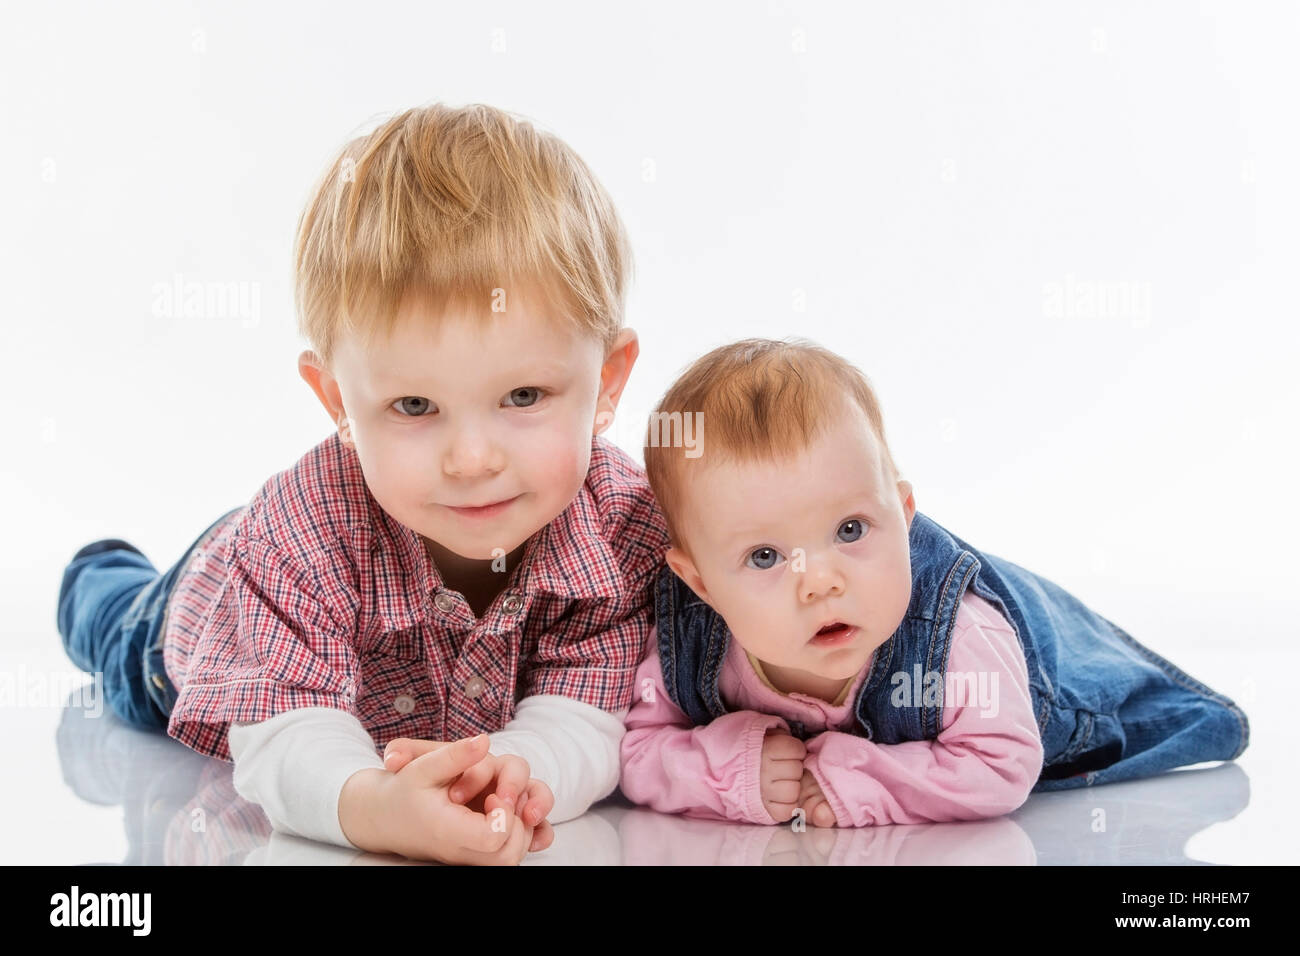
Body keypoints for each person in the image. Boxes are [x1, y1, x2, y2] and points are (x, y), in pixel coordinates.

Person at [57, 102, 669, 864]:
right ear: (339, 403)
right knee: (118, 634)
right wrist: (370, 806)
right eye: (415, 406)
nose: (472, 459)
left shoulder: (624, 529)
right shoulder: (304, 532)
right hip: (193, 618)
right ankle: (97, 576)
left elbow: (591, 710)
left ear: (607, 380)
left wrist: (515, 779)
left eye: (523, 398)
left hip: (286, 559)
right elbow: (286, 733)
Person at [620, 337, 1249, 827]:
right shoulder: (689, 635)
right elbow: (637, 749)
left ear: (903, 513)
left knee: (1128, 712)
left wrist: (858, 780)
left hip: (1050, 668)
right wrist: (729, 772)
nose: (821, 583)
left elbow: (1001, 764)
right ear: (698, 582)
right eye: (764, 557)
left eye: (850, 529)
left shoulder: (956, 638)